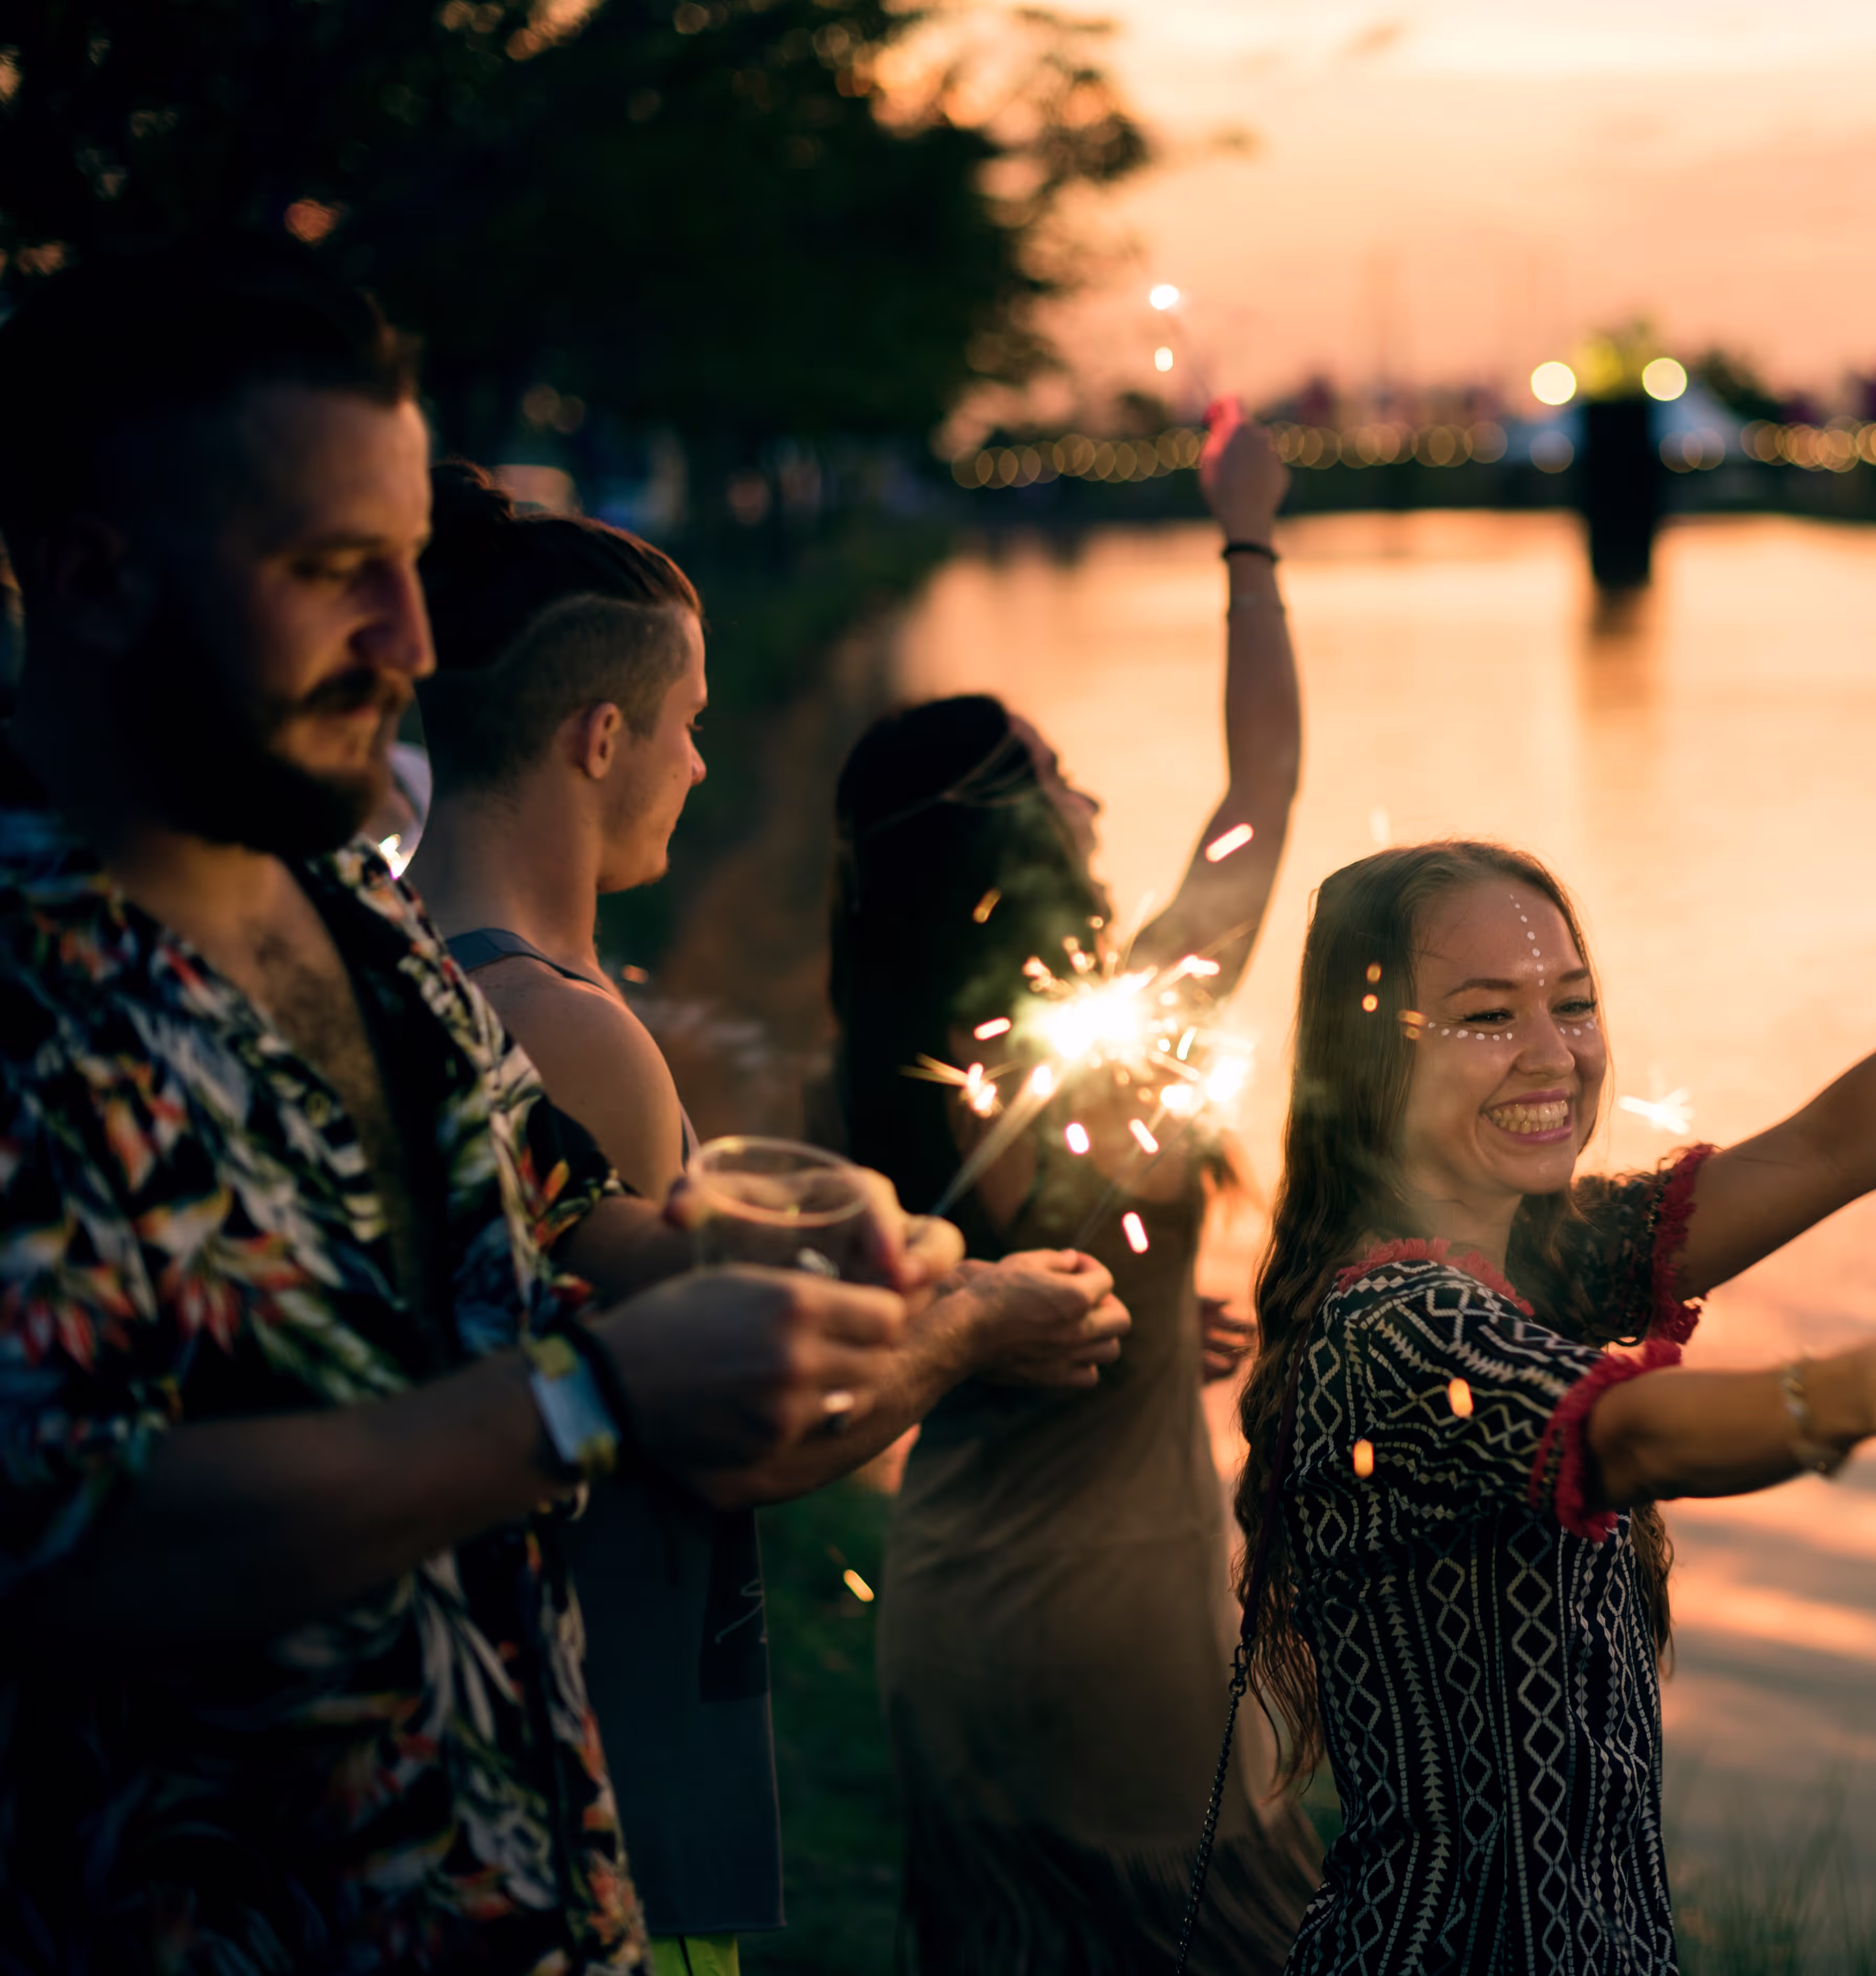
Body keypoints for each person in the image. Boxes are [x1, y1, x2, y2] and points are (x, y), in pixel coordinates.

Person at [0, 234, 951, 1974]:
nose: (415, 638)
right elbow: (68, 1537)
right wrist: (584, 1400)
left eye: (415, 567)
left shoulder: (356, 908)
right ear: (91, 576)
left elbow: (531, 1247)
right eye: (334, 570)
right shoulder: (29, 995)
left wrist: (764, 1255)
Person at [1230, 839, 1876, 1973]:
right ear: (1370, 1053)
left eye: (1572, 1005)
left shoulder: (1552, 1253)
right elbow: (1622, 1432)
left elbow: (1825, 1147)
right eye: (1486, 1017)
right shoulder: (1390, 1327)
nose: (1553, 1056)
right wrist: (1832, 1395)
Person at [406, 464, 1133, 1971]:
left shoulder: (416, 965)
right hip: (614, 1722)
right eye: (686, 720)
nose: (701, 762)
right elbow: (744, 1425)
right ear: (599, 737)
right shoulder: (568, 1027)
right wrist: (979, 1316)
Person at [829, 398, 1314, 1971]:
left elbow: (1021, 1306)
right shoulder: (1106, 1049)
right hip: (1122, 1630)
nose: (1095, 803)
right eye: (1059, 776)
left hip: (956, 1609)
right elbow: (1265, 787)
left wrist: (1174, 1320)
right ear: (1017, 831)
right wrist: (1244, 529)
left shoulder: (890, 1075)